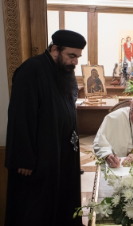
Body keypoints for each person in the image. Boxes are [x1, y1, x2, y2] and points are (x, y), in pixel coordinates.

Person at [5, 30, 86, 225]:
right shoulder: (31, 70)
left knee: (62, 199)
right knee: (37, 207)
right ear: (55, 49)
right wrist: (24, 158)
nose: (76, 62)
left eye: (78, 57)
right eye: (72, 56)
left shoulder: (65, 72)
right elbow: (20, 116)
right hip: (39, 156)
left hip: (63, 150)